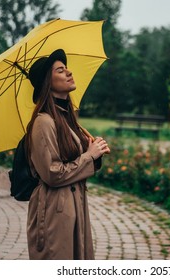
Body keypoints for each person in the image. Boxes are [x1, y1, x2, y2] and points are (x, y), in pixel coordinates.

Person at [25, 49, 110, 260]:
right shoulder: (43, 122)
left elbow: (73, 163)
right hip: (55, 211)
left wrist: (94, 154)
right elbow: (53, 173)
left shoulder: (66, 118)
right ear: (48, 81)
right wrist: (89, 156)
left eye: (67, 68)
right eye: (60, 70)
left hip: (74, 206)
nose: (69, 72)